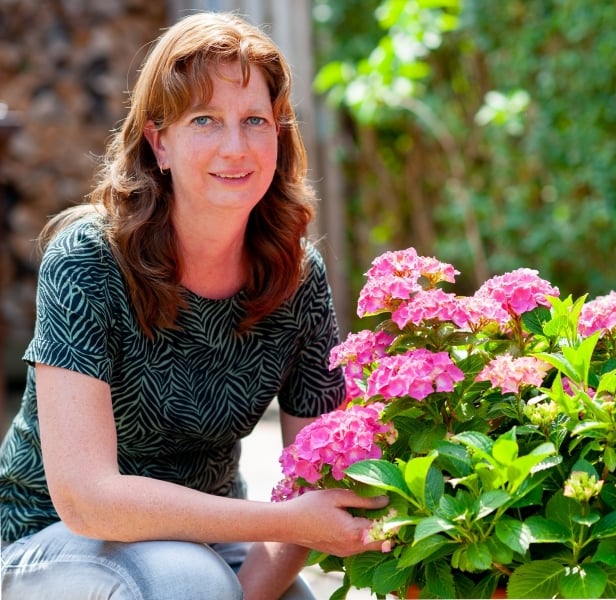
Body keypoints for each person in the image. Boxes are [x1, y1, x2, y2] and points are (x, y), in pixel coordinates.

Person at [0, 11, 387, 600]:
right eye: (204, 120)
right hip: (45, 539)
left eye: (255, 120)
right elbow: (88, 501)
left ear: (279, 136)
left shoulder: (296, 277)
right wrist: (285, 522)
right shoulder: (89, 260)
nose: (235, 147)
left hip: (206, 538)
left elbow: (321, 475)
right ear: (160, 141)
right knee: (192, 582)